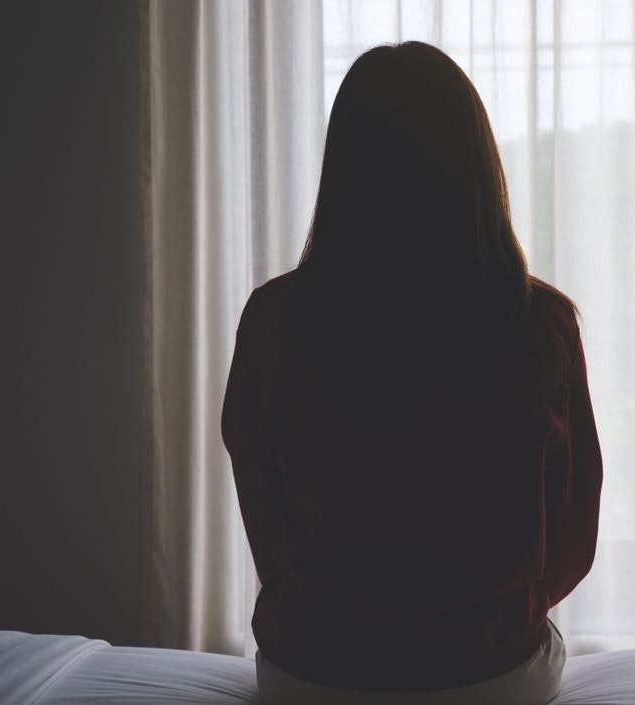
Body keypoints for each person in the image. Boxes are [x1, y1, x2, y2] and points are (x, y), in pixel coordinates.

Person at [221, 41, 603, 705]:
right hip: (491, 674)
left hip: (312, 674)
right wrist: (491, 617)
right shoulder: (542, 323)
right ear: (476, 166)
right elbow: (575, 532)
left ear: (343, 168)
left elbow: (266, 525)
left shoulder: (274, 319)